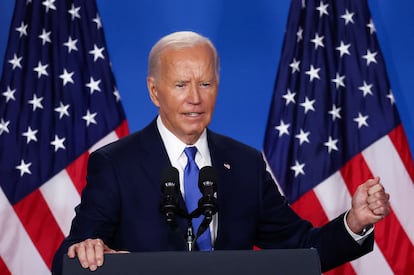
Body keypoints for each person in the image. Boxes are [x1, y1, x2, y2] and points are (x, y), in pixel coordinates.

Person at [52, 31, 390, 274]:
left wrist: (355, 221)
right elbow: (69, 256)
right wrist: (84, 250)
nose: (195, 98)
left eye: (206, 83)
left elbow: (302, 247)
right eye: (181, 85)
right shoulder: (114, 164)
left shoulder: (244, 163)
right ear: (155, 91)